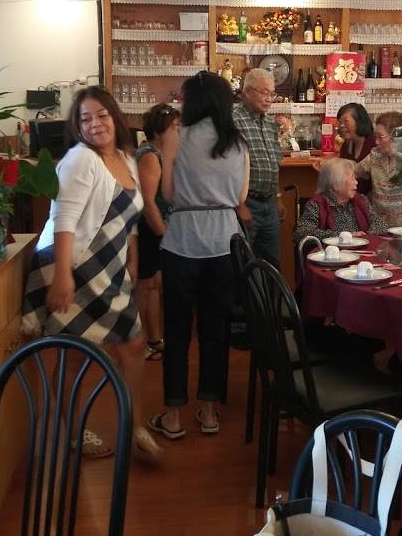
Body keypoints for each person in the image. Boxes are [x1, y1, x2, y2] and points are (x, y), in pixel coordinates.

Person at [22, 86, 163, 464]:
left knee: (133, 344)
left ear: (114, 117)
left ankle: (134, 426)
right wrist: (62, 276)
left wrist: (132, 257)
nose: (95, 124)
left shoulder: (126, 157)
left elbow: (130, 217)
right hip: (76, 264)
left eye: (101, 115)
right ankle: (73, 430)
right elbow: (63, 220)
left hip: (110, 267)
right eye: (85, 119)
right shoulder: (80, 159)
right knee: (74, 355)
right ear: (77, 127)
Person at [151, 71, 248, 441]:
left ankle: (173, 415)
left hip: (182, 242)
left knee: (176, 330)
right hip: (225, 242)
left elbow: (168, 193)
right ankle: (208, 413)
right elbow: (240, 197)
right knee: (215, 330)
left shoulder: (176, 136)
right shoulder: (237, 142)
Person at [135, 103, 180, 362]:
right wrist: (163, 234)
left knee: (154, 284)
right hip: (148, 227)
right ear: (159, 130)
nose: (179, 131)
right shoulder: (150, 155)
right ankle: (137, 342)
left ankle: (154, 339)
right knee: (144, 286)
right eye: (175, 127)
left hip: (159, 226)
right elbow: (148, 202)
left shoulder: (163, 153)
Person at [232, 68, 284, 266]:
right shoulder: (233, 119)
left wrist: (278, 197)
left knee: (271, 264)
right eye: (264, 92)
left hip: (269, 203)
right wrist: (240, 205)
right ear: (247, 91)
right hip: (247, 202)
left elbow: (273, 163)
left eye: (272, 93)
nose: (269, 99)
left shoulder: (270, 123)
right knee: (245, 262)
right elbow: (228, 168)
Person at [294, 157, 388, 242]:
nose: (356, 182)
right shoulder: (317, 204)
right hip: (330, 253)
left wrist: (364, 238)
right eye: (352, 178)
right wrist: (342, 236)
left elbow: (381, 225)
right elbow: (302, 233)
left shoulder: (361, 200)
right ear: (336, 184)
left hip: (360, 251)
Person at [336, 102, 375, 195]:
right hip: (351, 198)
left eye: (346, 121)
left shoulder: (374, 143)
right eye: (340, 122)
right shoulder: (346, 145)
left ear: (359, 122)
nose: (342, 126)